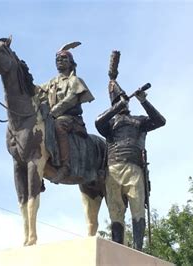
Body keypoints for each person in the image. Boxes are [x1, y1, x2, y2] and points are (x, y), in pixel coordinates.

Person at [95, 80, 166, 250]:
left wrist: (144, 101)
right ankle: (119, 248)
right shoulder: (109, 124)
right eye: (118, 100)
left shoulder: (139, 121)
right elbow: (98, 122)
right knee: (115, 211)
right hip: (113, 170)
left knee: (137, 208)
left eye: (123, 100)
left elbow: (160, 121)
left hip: (134, 169)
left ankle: (138, 249)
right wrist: (116, 107)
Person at [38, 42, 94, 181]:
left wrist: (53, 112)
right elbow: (37, 92)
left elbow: (70, 100)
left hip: (70, 119)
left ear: (71, 63)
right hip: (52, 116)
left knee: (58, 126)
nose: (60, 61)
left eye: (64, 59)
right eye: (57, 59)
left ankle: (65, 165)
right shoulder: (51, 83)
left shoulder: (75, 80)